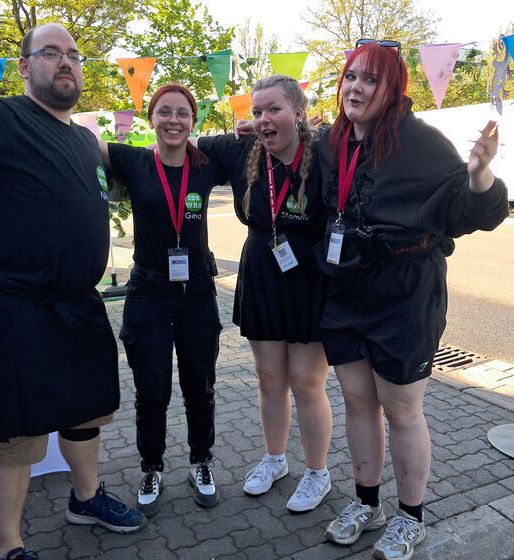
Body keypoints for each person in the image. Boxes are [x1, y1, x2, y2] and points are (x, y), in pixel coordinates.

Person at [0, 24, 143, 560]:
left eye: (74, 55)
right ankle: (7, 548)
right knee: (14, 436)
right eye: (51, 53)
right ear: (23, 67)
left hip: (79, 303)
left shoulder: (85, 140)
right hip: (15, 308)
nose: (66, 62)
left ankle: (85, 498)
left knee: (86, 411)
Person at [315, 39, 509, 559]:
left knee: (401, 409)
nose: (356, 88)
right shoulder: (331, 142)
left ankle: (410, 516)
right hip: (346, 285)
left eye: (370, 79)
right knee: (357, 401)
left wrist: (479, 172)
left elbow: (478, 210)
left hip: (405, 291)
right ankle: (367, 503)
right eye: (351, 76)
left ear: (393, 88)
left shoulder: (420, 142)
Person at [196, 75, 333, 512]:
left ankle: (317, 472)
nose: (263, 119)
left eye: (273, 109)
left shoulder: (325, 152)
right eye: (256, 112)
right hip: (262, 270)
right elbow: (179, 140)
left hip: (310, 276)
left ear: (298, 113)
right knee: (270, 377)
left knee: (306, 381)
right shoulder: (242, 150)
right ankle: (275, 459)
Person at [99, 84, 227, 517]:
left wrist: (252, 126)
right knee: (152, 390)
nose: (174, 120)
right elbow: (82, 142)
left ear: (193, 121)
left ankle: (201, 461)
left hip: (197, 292)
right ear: (151, 118)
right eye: (165, 112)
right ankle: (151, 467)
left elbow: (252, 145)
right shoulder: (134, 161)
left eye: (183, 113)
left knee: (200, 386)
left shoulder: (206, 164)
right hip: (149, 293)